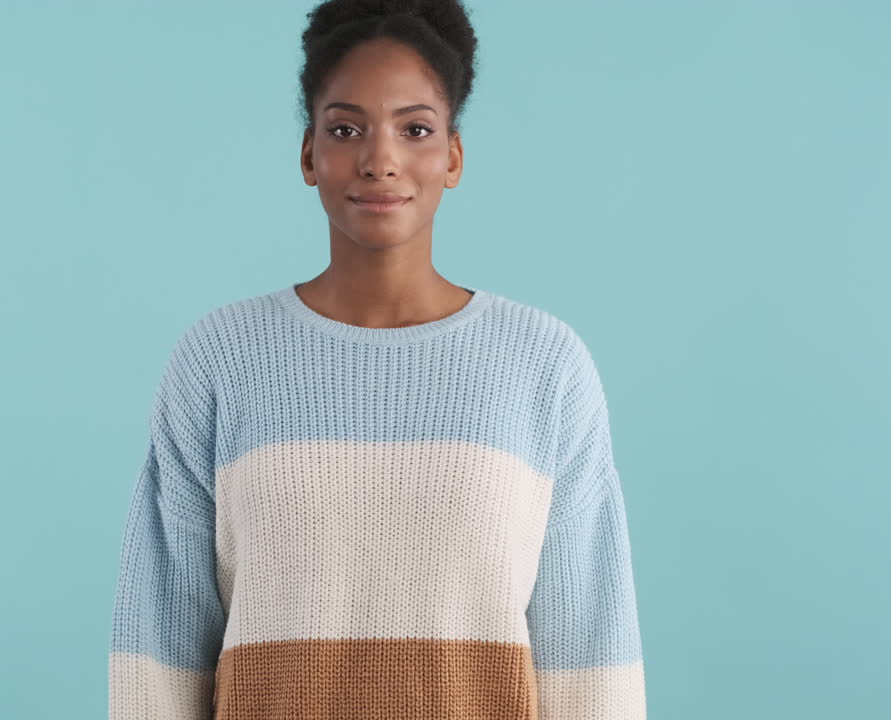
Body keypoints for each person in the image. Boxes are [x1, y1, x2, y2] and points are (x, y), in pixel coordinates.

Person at [107, 1, 646, 718]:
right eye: (346, 128)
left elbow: (590, 655)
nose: (379, 158)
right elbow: (159, 647)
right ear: (308, 154)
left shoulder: (544, 367)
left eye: (415, 129)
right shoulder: (220, 360)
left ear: (453, 155)